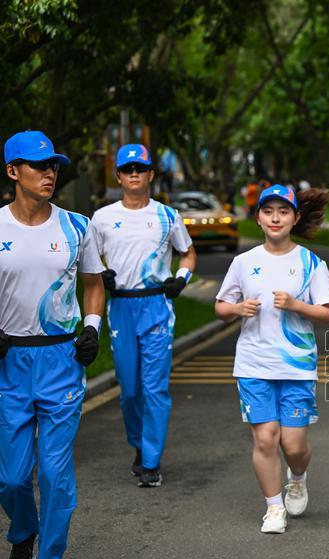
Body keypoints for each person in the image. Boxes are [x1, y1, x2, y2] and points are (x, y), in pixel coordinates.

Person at [0, 130, 105, 559]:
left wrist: (92, 327)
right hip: (9, 362)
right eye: (38, 165)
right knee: (13, 478)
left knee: (55, 475)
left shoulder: (78, 226)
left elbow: (94, 283)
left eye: (53, 166)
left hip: (62, 360)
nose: (49, 173)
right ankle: (23, 531)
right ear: (12, 171)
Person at [215, 185, 329, 535]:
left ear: (295, 218)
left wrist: (297, 305)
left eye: (283, 211)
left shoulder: (311, 263)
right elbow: (221, 307)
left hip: (297, 366)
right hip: (254, 363)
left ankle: (297, 477)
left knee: (293, 445)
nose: (276, 217)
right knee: (266, 438)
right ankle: (273, 507)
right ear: (259, 218)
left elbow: (328, 314)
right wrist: (237, 308)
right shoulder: (244, 262)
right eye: (269, 211)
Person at [91, 144, 197, 487]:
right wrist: (101, 274)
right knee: (130, 388)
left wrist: (180, 279)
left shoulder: (168, 216)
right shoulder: (103, 217)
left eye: (141, 169)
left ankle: (151, 461)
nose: (135, 174)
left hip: (156, 306)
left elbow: (188, 253)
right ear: (119, 176)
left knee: (154, 387)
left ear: (150, 175)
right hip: (121, 306)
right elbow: (93, 261)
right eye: (128, 169)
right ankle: (138, 445)